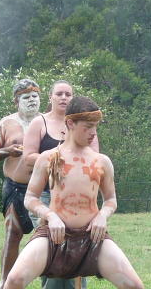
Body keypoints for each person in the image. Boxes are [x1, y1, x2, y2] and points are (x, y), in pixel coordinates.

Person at [4, 96, 144, 289]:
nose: (93, 133)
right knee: (14, 281)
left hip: (92, 237)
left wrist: (103, 215)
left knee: (134, 285)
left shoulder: (102, 161)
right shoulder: (49, 158)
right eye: (87, 127)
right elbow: (30, 198)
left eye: (96, 126)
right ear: (70, 123)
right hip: (53, 237)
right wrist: (50, 216)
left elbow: (111, 199)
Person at [23, 81, 98, 289]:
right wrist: (59, 157)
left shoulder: (84, 125)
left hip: (76, 197)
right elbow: (28, 157)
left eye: (68, 94)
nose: (64, 97)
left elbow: (95, 159)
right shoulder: (40, 123)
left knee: (76, 245)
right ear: (51, 97)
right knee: (53, 246)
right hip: (45, 197)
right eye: (59, 94)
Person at [0, 79, 42, 289]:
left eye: (35, 96)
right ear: (16, 101)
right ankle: (5, 282)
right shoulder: (7, 123)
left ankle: (47, 280)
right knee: (12, 233)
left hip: (43, 188)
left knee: (45, 236)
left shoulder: (47, 122)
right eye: (26, 98)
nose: (31, 101)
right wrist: (8, 151)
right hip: (15, 187)